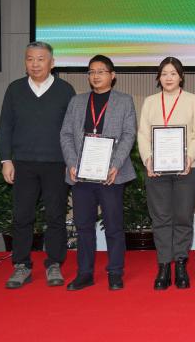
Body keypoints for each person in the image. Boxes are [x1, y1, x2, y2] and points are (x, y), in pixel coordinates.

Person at [0, 41, 75, 289]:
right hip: (23, 164)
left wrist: (71, 161)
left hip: (57, 164)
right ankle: (21, 265)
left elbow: (73, 130)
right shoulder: (15, 89)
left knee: (55, 216)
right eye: (30, 59)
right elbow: (6, 126)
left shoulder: (65, 90)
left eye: (41, 59)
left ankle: (54, 263)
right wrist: (6, 160)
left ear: (52, 63)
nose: (35, 64)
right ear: (25, 62)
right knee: (22, 216)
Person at [59, 54, 137, 291]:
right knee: (83, 226)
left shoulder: (124, 101)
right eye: (91, 72)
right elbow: (66, 134)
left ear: (112, 75)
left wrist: (114, 164)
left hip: (111, 174)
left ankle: (115, 272)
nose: (95, 76)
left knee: (113, 225)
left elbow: (129, 134)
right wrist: (72, 163)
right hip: (81, 174)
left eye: (101, 71)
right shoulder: (77, 101)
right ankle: (85, 273)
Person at [137, 56, 195, 290]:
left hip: (187, 168)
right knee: (161, 218)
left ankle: (181, 264)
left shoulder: (194, 101)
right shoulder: (150, 102)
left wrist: (189, 157)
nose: (168, 78)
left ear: (181, 77)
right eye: (164, 73)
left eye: (173, 73)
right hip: (156, 170)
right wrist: (148, 159)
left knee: (183, 217)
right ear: (159, 77)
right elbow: (143, 134)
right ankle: (164, 265)